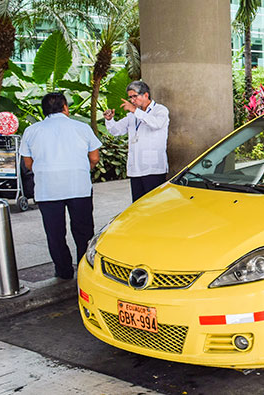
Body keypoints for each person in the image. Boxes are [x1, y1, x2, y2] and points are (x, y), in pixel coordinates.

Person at [19, 92, 101, 280]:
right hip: (78, 186)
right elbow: (95, 157)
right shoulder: (82, 127)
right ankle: (84, 270)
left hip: (48, 189)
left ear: (44, 110)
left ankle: (63, 271)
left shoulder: (32, 131)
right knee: (84, 231)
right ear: (65, 107)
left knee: (55, 233)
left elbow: (28, 163)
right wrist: (81, 169)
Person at [104, 81, 170, 202]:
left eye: (135, 96)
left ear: (146, 95)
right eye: (130, 97)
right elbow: (116, 131)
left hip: (153, 168)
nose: (132, 100)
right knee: (138, 205)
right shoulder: (132, 115)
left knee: (154, 204)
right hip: (135, 168)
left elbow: (156, 124)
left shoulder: (160, 110)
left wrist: (135, 111)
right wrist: (109, 120)